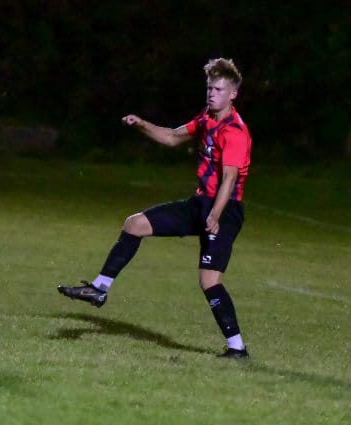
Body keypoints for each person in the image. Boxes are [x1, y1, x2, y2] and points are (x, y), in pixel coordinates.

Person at [57, 58, 253, 359]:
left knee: (209, 281)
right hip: (200, 204)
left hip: (224, 211)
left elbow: (229, 178)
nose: (211, 94)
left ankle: (237, 347)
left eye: (218, 89)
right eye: (209, 88)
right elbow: (172, 137)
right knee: (134, 224)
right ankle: (99, 288)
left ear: (233, 94)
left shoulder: (235, 131)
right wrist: (142, 124)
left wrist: (215, 215)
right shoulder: (206, 118)